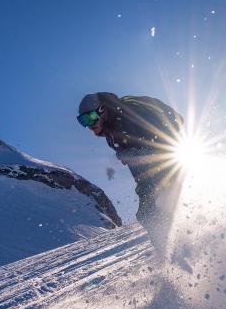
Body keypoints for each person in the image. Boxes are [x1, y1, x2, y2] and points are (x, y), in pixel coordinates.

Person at [77, 92, 184, 253]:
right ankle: (170, 253)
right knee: (147, 214)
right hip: (155, 169)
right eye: (83, 120)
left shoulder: (128, 115)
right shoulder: (111, 134)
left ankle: (176, 250)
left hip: (169, 161)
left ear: (102, 110)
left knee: (154, 211)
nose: (89, 124)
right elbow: (137, 168)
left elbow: (163, 139)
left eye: (91, 117)